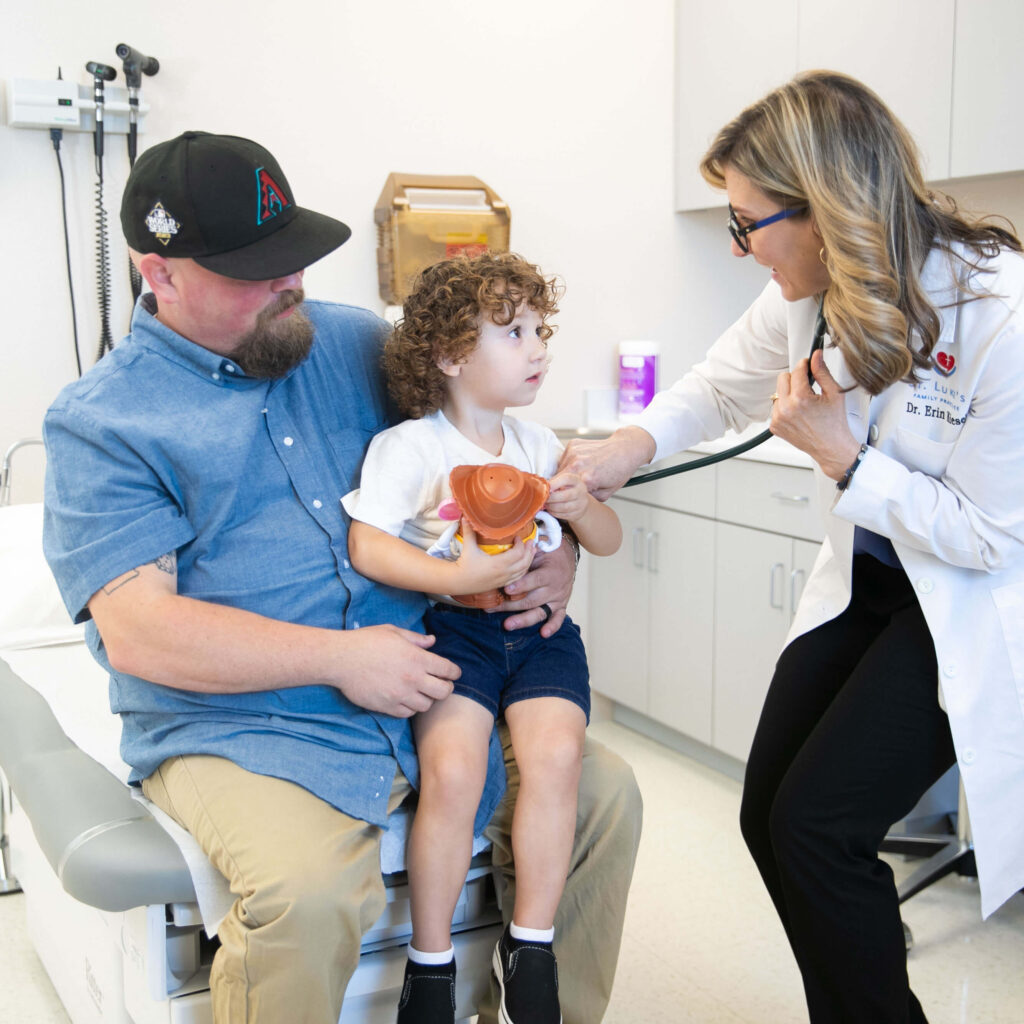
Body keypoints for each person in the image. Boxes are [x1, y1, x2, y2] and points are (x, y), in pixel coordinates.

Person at [41, 130, 642, 1024]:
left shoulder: (358, 345)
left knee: (603, 797)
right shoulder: (104, 424)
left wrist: (553, 555)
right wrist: (341, 658)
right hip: (245, 724)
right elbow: (141, 632)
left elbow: (489, 449)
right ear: (158, 273)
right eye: (257, 270)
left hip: (444, 677)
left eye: (296, 259)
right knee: (309, 893)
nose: (292, 286)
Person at [560, 70, 1024, 1023]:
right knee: (767, 813)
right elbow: (715, 386)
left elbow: (991, 536)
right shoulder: (813, 289)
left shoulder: (1000, 315)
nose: (739, 248)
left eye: (748, 223)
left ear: (825, 210)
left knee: (817, 827)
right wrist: (622, 451)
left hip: (970, 602)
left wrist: (848, 462)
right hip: (871, 577)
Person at [342, 252, 622, 1024]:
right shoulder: (413, 449)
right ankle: (430, 966)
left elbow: (606, 539)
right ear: (449, 354)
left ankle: (531, 948)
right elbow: (369, 546)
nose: (538, 349)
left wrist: (581, 504)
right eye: (512, 332)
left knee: (556, 757)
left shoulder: (540, 449)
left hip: (538, 637)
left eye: (539, 330)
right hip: (457, 639)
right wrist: (457, 576)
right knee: (455, 773)